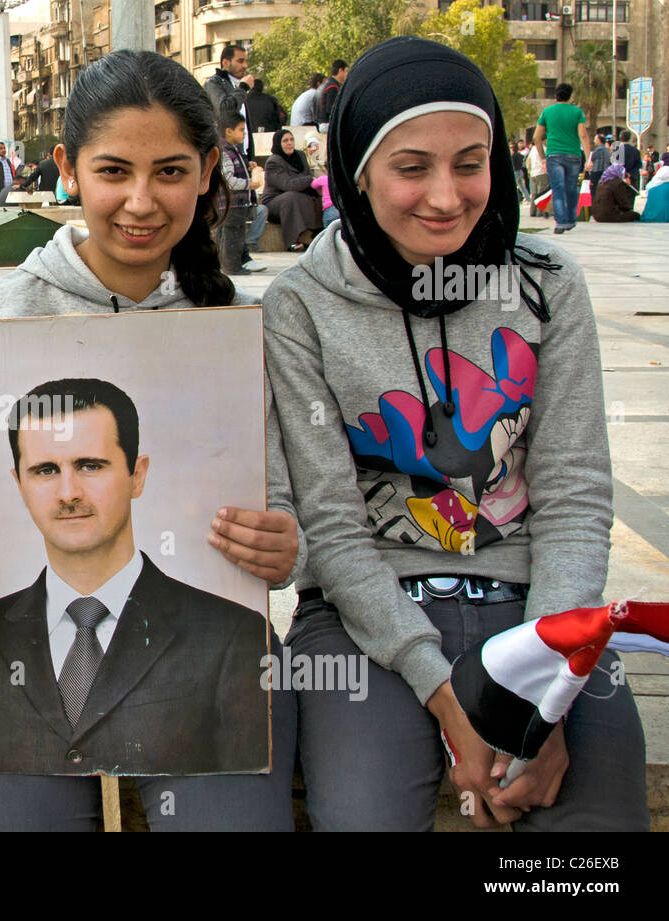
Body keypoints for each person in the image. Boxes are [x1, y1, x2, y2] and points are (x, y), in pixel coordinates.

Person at [0, 49, 301, 832]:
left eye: (172, 172)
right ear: (67, 167)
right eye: (114, 170)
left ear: (210, 167)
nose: (142, 201)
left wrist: (286, 548)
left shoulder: (244, 326)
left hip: (214, 675)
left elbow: (284, 505)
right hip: (9, 677)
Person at [263, 36, 648, 832]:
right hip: (363, 619)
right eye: (411, 167)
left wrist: (545, 691)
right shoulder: (299, 307)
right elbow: (331, 527)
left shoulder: (546, 286)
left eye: (470, 163)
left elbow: (576, 498)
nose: (445, 196)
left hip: (539, 611)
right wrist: (449, 696)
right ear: (357, 170)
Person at [0, 378, 272, 776]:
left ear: (137, 474)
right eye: (45, 470)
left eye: (90, 466)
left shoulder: (232, 635)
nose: (68, 493)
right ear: (19, 485)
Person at [215, 104, 267, 275]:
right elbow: (228, 180)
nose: (244, 133)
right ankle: (232, 266)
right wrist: (248, 184)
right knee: (233, 235)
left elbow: (234, 169)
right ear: (229, 131)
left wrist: (248, 165)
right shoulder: (225, 151)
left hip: (236, 203)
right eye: (241, 130)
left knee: (231, 233)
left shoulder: (234, 150)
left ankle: (226, 264)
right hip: (232, 202)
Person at [535, 82, 591, 233]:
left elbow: (536, 137)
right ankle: (571, 220)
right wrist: (588, 157)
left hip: (554, 155)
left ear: (555, 95)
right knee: (572, 188)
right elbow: (583, 135)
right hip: (573, 154)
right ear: (570, 95)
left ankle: (560, 222)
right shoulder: (577, 112)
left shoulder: (547, 112)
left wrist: (542, 157)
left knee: (558, 189)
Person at [262, 129, 321, 252]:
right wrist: (309, 179)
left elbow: (305, 176)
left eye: (291, 139)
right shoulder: (273, 161)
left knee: (317, 197)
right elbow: (287, 184)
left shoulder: (300, 155)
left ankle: (313, 233)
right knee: (291, 197)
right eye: (285, 141)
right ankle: (294, 239)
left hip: (297, 195)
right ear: (278, 143)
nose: (289, 143)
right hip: (275, 203)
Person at [204, 44, 252, 116]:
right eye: (240, 61)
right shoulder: (213, 83)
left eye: (246, 61)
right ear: (225, 63)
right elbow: (224, 111)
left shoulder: (238, 85)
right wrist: (243, 88)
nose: (245, 66)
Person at [314, 59, 348, 130]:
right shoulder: (333, 87)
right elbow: (331, 109)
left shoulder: (323, 86)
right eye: (346, 71)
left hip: (320, 124)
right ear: (340, 70)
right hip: (327, 125)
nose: (347, 74)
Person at [526, 134, 551, 217]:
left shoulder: (533, 149)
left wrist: (529, 171)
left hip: (533, 173)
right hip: (541, 173)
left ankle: (533, 212)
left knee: (534, 193)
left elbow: (528, 161)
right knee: (542, 193)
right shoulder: (544, 149)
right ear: (544, 140)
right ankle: (540, 212)